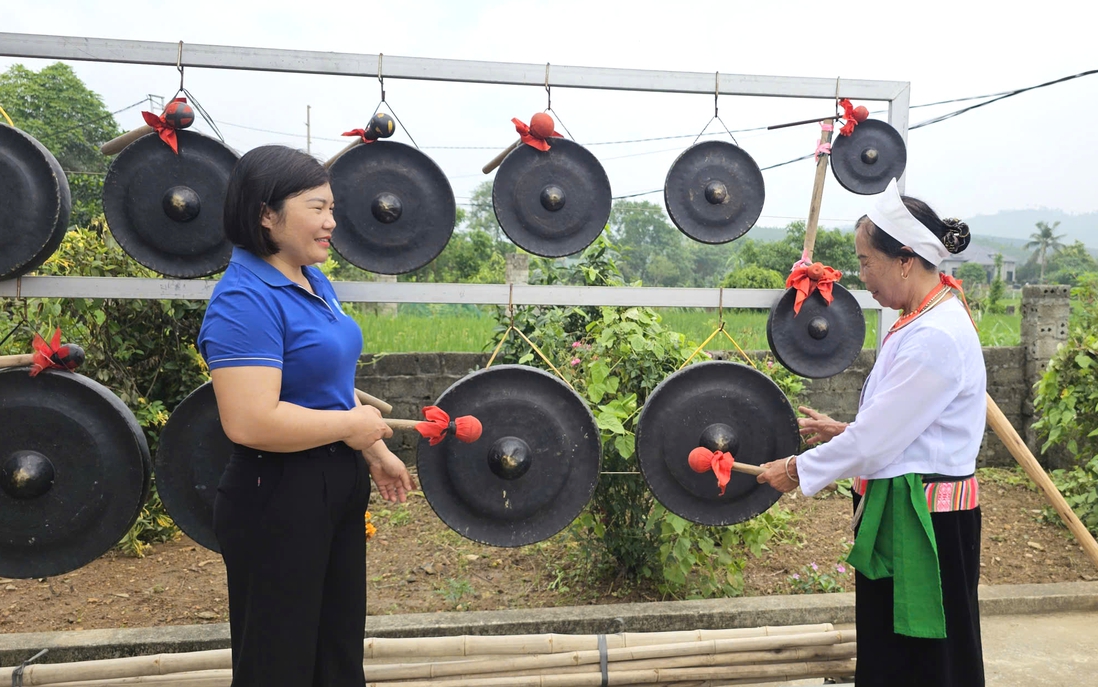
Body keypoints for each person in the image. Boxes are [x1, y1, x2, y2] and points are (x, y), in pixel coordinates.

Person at [197, 145, 415, 687]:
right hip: (277, 493)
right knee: (280, 663)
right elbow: (250, 422)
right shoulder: (243, 299)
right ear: (266, 214)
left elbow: (328, 388)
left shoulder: (313, 281)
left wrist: (374, 449)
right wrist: (350, 427)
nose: (331, 223)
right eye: (317, 208)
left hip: (333, 484)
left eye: (332, 209)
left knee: (336, 653)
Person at [757, 178, 985, 687]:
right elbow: (904, 424)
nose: (861, 275)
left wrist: (796, 469)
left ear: (905, 260)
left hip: (926, 527)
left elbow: (881, 440)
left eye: (864, 262)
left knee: (926, 657)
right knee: (896, 651)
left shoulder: (936, 335)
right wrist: (846, 430)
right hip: (909, 513)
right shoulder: (921, 317)